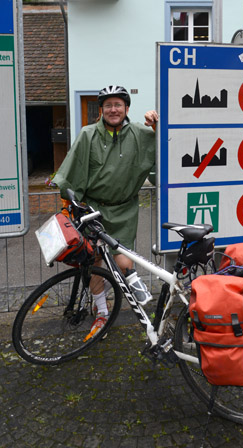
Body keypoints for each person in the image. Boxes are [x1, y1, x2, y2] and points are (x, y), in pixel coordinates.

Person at [53, 85, 158, 331]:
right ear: (101, 110)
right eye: (108, 105)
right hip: (93, 209)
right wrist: (70, 202)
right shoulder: (88, 135)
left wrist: (158, 124)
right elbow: (71, 170)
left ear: (126, 109)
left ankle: (132, 283)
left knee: (124, 257)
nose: (113, 110)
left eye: (118, 105)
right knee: (95, 261)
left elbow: (168, 143)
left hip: (125, 209)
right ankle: (101, 309)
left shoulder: (141, 134)